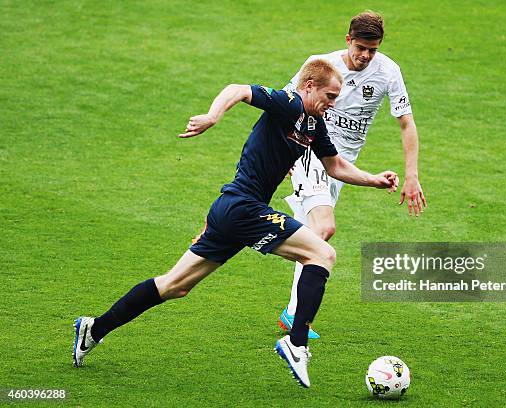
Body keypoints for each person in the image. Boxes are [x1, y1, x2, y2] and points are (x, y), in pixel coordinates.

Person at [72, 59, 399, 388]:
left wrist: (374, 180)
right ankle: (297, 344)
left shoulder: (314, 125)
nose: (333, 104)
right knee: (322, 254)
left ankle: (94, 328)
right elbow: (238, 90)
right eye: (329, 96)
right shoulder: (290, 102)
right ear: (310, 86)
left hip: (233, 211)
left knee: (175, 286)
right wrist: (213, 117)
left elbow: (336, 165)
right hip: (242, 207)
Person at [277, 11, 427, 339]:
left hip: (341, 167)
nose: (365, 56)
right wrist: (285, 150)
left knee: (309, 234)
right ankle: (294, 315)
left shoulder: (388, 72)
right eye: (360, 48)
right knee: (321, 230)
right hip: (309, 151)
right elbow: (288, 105)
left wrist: (412, 175)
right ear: (348, 40)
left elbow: (406, 123)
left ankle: (242, 230)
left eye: (372, 50)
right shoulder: (321, 66)